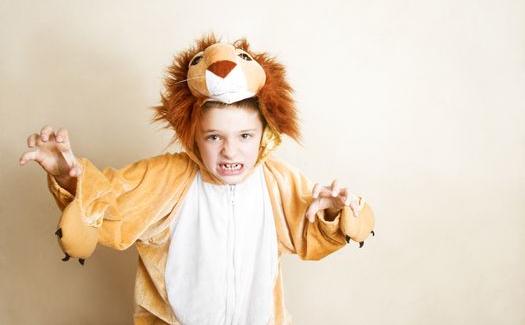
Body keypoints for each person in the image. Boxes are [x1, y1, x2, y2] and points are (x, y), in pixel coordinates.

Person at [19, 36, 375, 324]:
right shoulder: (168, 178)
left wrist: (333, 215)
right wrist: (69, 178)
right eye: (214, 137)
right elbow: (111, 205)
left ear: (265, 135)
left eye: (245, 137)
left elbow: (307, 234)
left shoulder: (277, 181)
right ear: (194, 136)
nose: (230, 152)